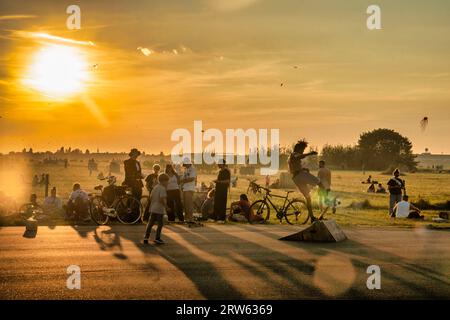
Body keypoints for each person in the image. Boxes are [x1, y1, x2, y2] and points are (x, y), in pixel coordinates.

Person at [288, 139, 322, 222]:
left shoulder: (291, 157)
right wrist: (310, 153)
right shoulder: (294, 154)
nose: (303, 152)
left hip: (296, 178)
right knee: (319, 182)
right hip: (300, 176)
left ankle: (312, 217)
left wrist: (303, 169)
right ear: (299, 149)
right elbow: (299, 156)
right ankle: (327, 196)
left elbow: (294, 168)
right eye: (302, 150)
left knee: (308, 197)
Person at [143, 173, 170, 245]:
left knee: (150, 223)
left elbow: (150, 197)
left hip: (153, 208)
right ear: (163, 181)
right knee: (160, 224)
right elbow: (162, 199)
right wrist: (166, 207)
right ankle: (157, 238)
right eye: (167, 181)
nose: (168, 183)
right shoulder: (162, 188)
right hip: (159, 209)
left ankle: (146, 237)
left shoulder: (155, 187)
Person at [213, 159, 231, 223]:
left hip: (223, 190)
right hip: (218, 190)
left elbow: (227, 181)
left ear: (222, 164)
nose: (218, 165)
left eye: (219, 163)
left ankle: (222, 219)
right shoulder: (220, 171)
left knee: (222, 204)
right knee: (216, 203)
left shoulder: (226, 171)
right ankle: (216, 217)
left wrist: (219, 182)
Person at [180, 157, 197, 222]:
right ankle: (187, 218)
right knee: (185, 204)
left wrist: (182, 181)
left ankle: (191, 218)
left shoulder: (193, 169)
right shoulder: (186, 169)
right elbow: (184, 178)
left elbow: (192, 178)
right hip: (185, 188)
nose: (184, 165)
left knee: (189, 204)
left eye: (185, 164)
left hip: (189, 188)